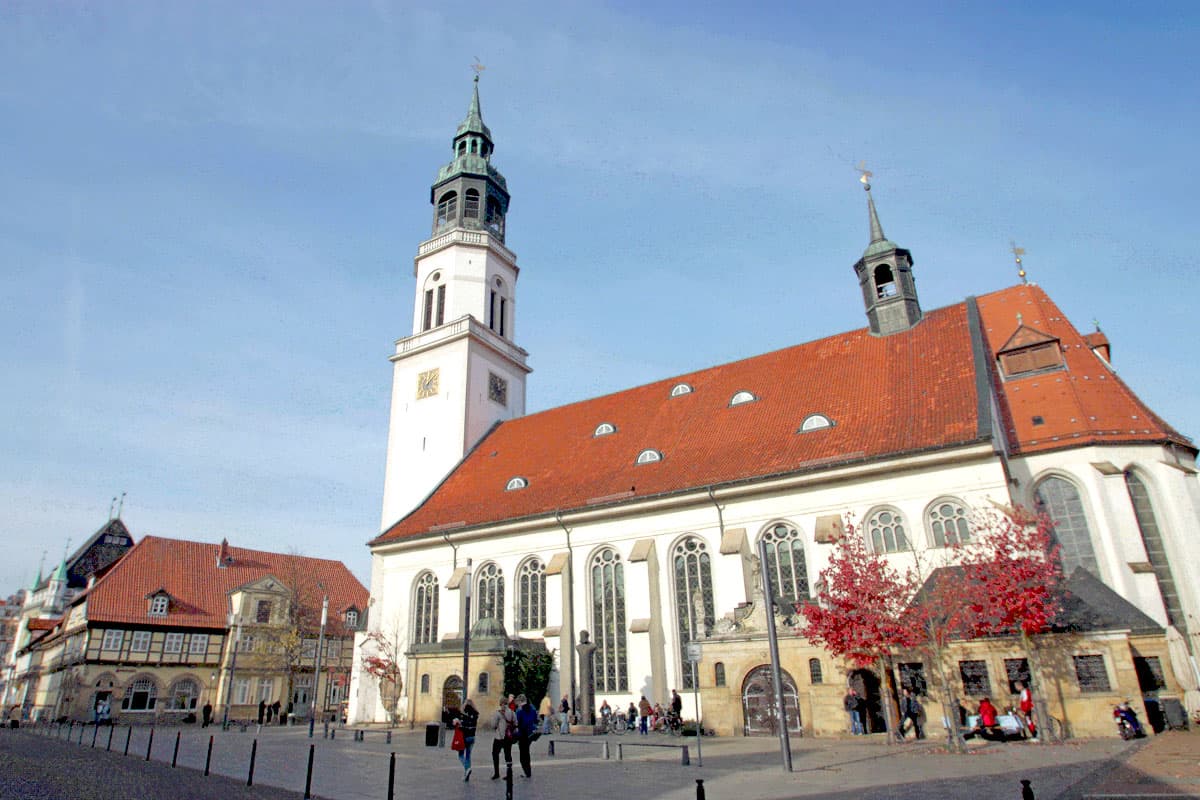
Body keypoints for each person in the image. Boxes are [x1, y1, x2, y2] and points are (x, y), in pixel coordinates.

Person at [452, 697, 478, 782]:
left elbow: (462, 726)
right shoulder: (476, 714)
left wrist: (458, 723)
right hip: (472, 737)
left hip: (465, 737)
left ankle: (467, 769)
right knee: (468, 756)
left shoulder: (463, 714)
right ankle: (467, 774)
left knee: (460, 755)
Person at [490, 696, 516, 780]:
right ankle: (509, 773)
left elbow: (493, 725)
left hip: (499, 737)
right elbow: (516, 723)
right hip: (509, 737)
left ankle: (496, 773)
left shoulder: (498, 713)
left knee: (495, 754)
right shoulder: (512, 713)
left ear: (500, 704)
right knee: (508, 754)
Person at [515, 694, 538, 778]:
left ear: (520, 701)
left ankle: (526, 771)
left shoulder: (519, 710)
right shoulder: (532, 708)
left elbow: (517, 722)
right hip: (530, 733)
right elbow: (535, 720)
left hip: (522, 733)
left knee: (522, 754)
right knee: (527, 753)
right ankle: (528, 771)